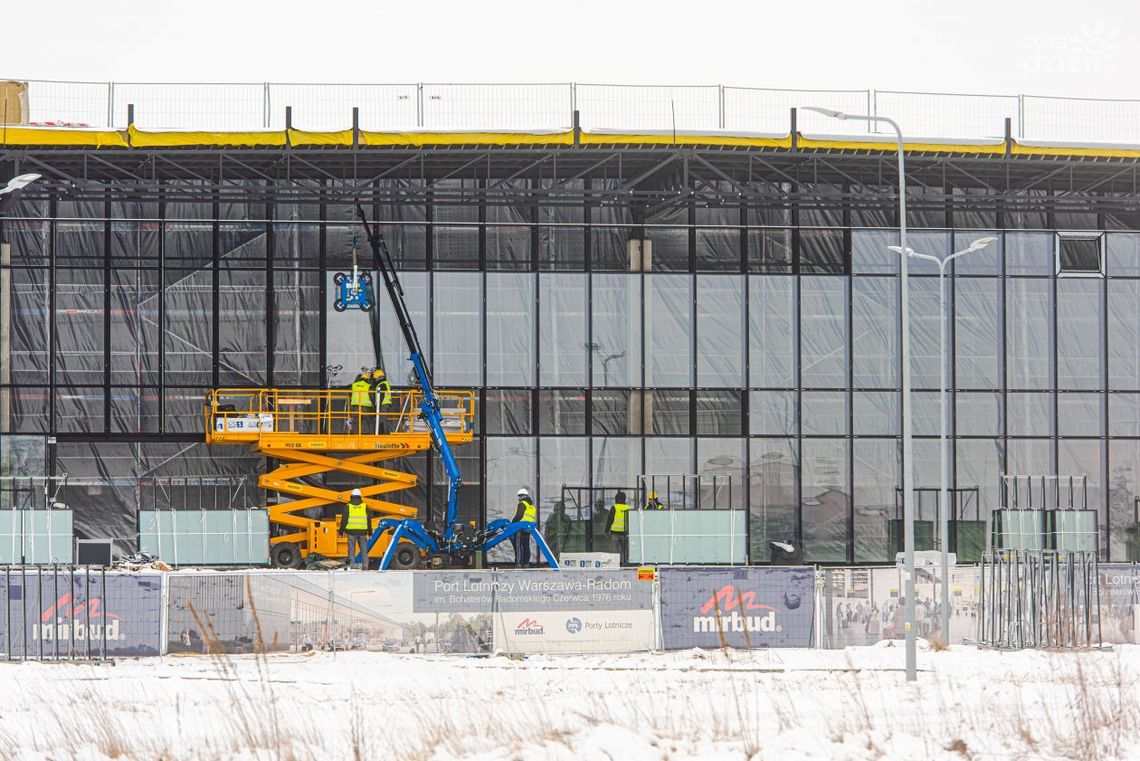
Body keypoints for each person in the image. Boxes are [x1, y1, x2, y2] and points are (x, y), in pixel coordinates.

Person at [340, 488, 370, 569]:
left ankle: (351, 566)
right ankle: (365, 566)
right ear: (360, 496)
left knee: (351, 551)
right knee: (364, 550)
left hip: (351, 532)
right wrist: (370, 532)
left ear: (351, 496)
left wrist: (341, 532)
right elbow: (368, 520)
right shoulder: (364, 506)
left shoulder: (348, 507)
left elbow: (344, 520)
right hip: (363, 532)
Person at [512, 487, 537, 567]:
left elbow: (519, 515)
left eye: (519, 496)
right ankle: (526, 563)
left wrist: (512, 523)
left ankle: (518, 563)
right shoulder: (531, 506)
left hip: (520, 528)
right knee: (526, 546)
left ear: (521, 496)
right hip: (527, 529)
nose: (518, 498)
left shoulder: (522, 504)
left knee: (518, 546)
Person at [606, 491, 631, 565]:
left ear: (616, 499)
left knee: (616, 550)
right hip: (625, 533)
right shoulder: (628, 508)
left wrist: (606, 530)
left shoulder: (614, 507)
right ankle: (625, 563)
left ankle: (617, 563)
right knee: (625, 549)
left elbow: (610, 520)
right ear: (624, 499)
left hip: (614, 533)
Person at [346, 367, 373, 433]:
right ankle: (370, 435)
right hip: (366, 406)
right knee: (368, 421)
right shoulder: (368, 386)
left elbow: (350, 394)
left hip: (355, 406)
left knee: (356, 421)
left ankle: (356, 435)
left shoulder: (353, 385)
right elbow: (372, 396)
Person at [371, 367, 393, 433]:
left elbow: (381, 396)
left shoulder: (381, 385)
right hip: (386, 404)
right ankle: (383, 432)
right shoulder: (385, 383)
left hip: (383, 404)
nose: (375, 379)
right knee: (383, 419)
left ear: (378, 377)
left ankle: (384, 433)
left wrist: (377, 406)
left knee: (383, 420)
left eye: (375, 378)